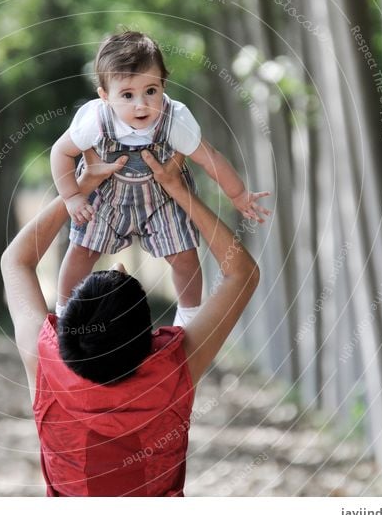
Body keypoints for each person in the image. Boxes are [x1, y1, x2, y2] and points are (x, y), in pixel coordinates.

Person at [1, 149, 260, 497]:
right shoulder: (171, 370)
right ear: (150, 337)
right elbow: (241, 272)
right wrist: (180, 191)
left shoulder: (44, 361)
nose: (119, 265)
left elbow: (15, 261)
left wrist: (78, 188)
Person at [50, 30, 270, 326]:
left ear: (163, 85)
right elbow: (61, 153)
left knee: (185, 256)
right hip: (106, 197)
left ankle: (189, 316)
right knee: (82, 251)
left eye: (150, 91)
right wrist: (72, 196)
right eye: (127, 95)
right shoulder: (95, 119)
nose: (141, 104)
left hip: (162, 199)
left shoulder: (174, 119)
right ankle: (66, 313)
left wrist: (238, 195)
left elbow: (210, 158)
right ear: (105, 96)